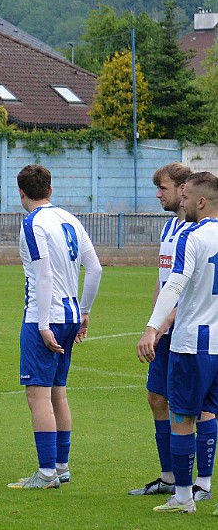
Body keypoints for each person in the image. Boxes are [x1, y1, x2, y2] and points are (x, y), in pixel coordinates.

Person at [9, 164, 102, 489]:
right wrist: (84, 310)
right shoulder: (70, 219)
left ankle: (47, 472)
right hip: (71, 313)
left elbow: (43, 274)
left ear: (21, 192)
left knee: (38, 395)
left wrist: (45, 323)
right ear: (50, 189)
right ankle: (61, 466)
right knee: (58, 393)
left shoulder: (32, 223)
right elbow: (95, 269)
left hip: (43, 317)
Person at [132, 162, 216, 500]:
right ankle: (170, 477)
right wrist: (153, 320)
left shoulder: (195, 234)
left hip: (184, 329)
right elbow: (163, 280)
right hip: (168, 328)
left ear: (186, 192)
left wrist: (159, 325)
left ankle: (194, 486)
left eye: (164, 188)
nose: (159, 194)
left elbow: (186, 290)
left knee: (193, 408)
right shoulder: (170, 229)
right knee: (157, 398)